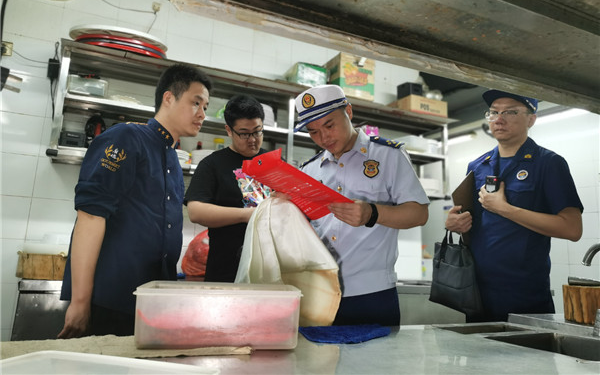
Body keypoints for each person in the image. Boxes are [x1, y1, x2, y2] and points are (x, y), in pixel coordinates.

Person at [58, 64, 213, 338]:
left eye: (205, 106)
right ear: (168, 98)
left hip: (149, 306)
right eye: (196, 103)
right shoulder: (127, 137)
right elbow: (91, 216)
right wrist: (80, 302)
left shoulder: (173, 160)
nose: (202, 114)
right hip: (108, 303)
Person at [293, 84, 429, 326]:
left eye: (329, 125)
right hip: (319, 292)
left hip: (371, 294)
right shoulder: (309, 170)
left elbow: (419, 214)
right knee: (317, 363)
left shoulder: (388, 156)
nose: (323, 138)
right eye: (313, 132)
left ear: (349, 111)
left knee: (375, 363)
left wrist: (372, 213)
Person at [445, 89, 583, 322]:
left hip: (525, 295)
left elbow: (572, 229)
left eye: (510, 112)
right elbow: (472, 222)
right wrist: (454, 223)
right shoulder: (478, 166)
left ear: (531, 119)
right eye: (493, 112)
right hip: (476, 292)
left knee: (529, 358)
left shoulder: (549, 163)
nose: (499, 119)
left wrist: (505, 209)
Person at [185, 95, 268, 282]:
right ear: (229, 131)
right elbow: (195, 211)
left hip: (268, 271)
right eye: (244, 133)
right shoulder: (212, 164)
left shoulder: (273, 162)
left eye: (258, 131)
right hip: (226, 272)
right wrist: (246, 215)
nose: (253, 140)